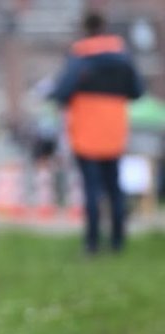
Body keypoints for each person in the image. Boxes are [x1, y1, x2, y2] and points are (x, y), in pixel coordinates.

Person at [49, 10, 145, 256]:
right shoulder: (123, 58)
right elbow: (137, 91)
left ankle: (92, 244)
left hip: (86, 134)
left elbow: (61, 92)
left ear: (84, 29)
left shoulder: (79, 57)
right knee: (115, 189)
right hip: (114, 132)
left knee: (92, 190)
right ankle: (117, 242)